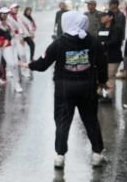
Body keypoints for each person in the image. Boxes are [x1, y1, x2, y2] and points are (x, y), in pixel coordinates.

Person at [28, 10, 108, 169]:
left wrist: (30, 65)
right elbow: (102, 62)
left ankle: (60, 155)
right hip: (87, 87)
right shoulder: (93, 41)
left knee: (63, 121)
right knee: (90, 119)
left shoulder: (59, 42)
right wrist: (102, 81)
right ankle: (97, 154)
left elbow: (43, 64)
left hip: (64, 87)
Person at [0, 8, 22, 93]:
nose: (5, 15)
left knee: (12, 64)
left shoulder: (8, 22)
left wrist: (10, 37)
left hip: (7, 46)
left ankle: (16, 83)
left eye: (7, 13)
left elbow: (13, 31)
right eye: (4, 13)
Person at [97, 10, 123, 103]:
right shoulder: (101, 28)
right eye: (101, 16)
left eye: (104, 15)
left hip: (113, 57)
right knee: (100, 76)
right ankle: (98, 93)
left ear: (111, 17)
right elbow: (98, 41)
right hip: (102, 57)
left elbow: (114, 41)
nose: (102, 17)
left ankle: (109, 96)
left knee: (110, 76)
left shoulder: (117, 28)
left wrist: (103, 44)